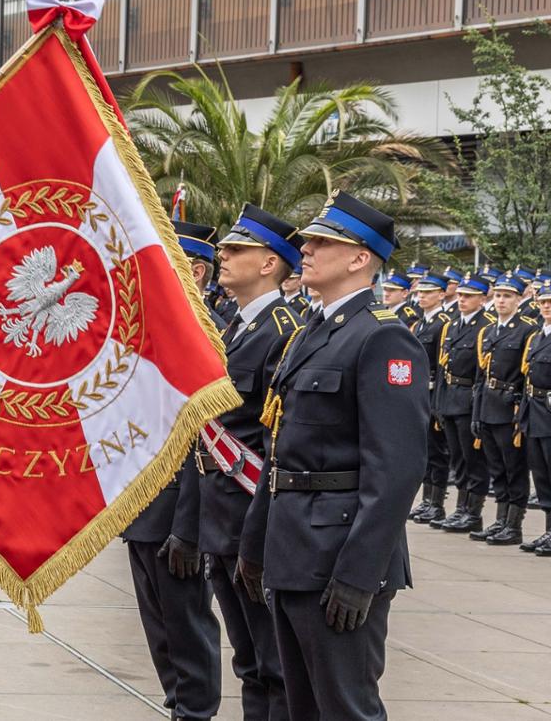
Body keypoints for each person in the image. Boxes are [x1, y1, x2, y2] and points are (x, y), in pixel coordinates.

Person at [239, 192, 427, 721]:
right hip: (293, 548)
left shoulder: (383, 339)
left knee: (345, 709)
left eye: (324, 241)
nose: (307, 248)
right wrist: (255, 544)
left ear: (359, 257)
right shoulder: (311, 334)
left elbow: (396, 472)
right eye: (309, 239)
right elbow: (280, 456)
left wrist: (359, 574)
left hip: (338, 555)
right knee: (303, 707)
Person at [205, 205, 304, 721]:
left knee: (275, 664)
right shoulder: (236, 329)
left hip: (254, 518)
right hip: (221, 518)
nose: (223, 256)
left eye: (237, 250)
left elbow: (275, 438)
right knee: (248, 661)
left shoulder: (282, 329)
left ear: (269, 263)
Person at [122, 220, 221, 721]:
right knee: (158, 621)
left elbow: (203, 441)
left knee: (185, 619)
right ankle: (178, 700)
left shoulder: (206, 334)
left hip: (179, 504)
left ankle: (196, 708)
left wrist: (188, 523)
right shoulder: (152, 326)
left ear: (197, 271)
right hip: (142, 502)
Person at [471, 275, 537, 546]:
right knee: (496, 467)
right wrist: (476, 412)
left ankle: (514, 524)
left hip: (510, 408)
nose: (501, 300)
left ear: (519, 300)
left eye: (507, 296)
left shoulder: (527, 330)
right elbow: (480, 377)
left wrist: (520, 412)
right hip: (488, 405)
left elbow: (527, 375)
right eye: (497, 295)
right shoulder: (487, 331)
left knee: (514, 468)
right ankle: (500, 519)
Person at [432, 275, 494, 534]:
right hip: (450, 399)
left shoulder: (485, 326)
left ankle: (473, 512)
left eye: (469, 296)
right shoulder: (452, 326)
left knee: (473, 460)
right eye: (461, 296)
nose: (462, 300)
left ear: (482, 298)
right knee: (458, 459)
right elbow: (442, 366)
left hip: (469, 400)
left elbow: (482, 373)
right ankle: (461, 507)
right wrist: (438, 404)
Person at [521, 282, 551, 556]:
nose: (546, 306)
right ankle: (550, 532)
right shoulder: (539, 335)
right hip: (535, 412)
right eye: (543, 302)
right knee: (542, 477)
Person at [409, 273, 456, 524]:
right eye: (420, 292)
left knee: (437, 451)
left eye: (428, 293)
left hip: (434, 392)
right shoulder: (421, 324)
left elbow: (442, 364)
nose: (422, 296)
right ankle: (427, 501)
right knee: (425, 449)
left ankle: (436, 503)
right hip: (420, 392)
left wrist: (438, 400)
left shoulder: (443, 323)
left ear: (441, 294)